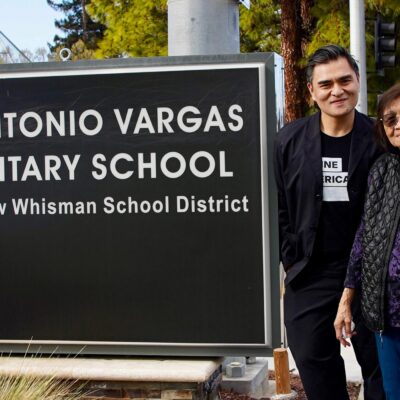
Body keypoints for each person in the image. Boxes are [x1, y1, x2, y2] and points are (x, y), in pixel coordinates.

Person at [273, 44, 385, 400]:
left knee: (380, 365)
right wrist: (291, 259)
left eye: (344, 80)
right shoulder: (288, 141)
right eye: (326, 84)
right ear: (312, 91)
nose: (337, 90)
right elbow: (280, 209)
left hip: (372, 273)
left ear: (356, 81)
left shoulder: (381, 139)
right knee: (311, 357)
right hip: (311, 271)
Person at [334, 83, 400, 400]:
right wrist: (347, 300)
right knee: (391, 391)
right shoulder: (383, 169)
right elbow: (364, 236)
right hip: (385, 315)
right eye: (390, 119)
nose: (398, 124)